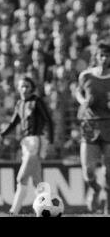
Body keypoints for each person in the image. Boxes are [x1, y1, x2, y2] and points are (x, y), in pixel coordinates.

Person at [0, 76, 54, 215]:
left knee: (21, 177)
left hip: (35, 140)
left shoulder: (37, 101)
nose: (24, 89)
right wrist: (1, 135)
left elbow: (49, 120)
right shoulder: (20, 103)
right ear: (18, 88)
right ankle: (46, 209)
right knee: (37, 179)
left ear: (32, 88)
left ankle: (13, 211)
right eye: (22, 86)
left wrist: (50, 141)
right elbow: (13, 122)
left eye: (27, 86)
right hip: (26, 142)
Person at [75, 41, 110, 214]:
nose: (104, 59)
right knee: (88, 169)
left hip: (109, 124)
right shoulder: (86, 76)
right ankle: (95, 189)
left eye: (107, 56)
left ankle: (108, 206)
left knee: (109, 169)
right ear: (96, 57)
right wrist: (83, 102)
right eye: (101, 55)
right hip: (89, 125)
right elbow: (78, 92)